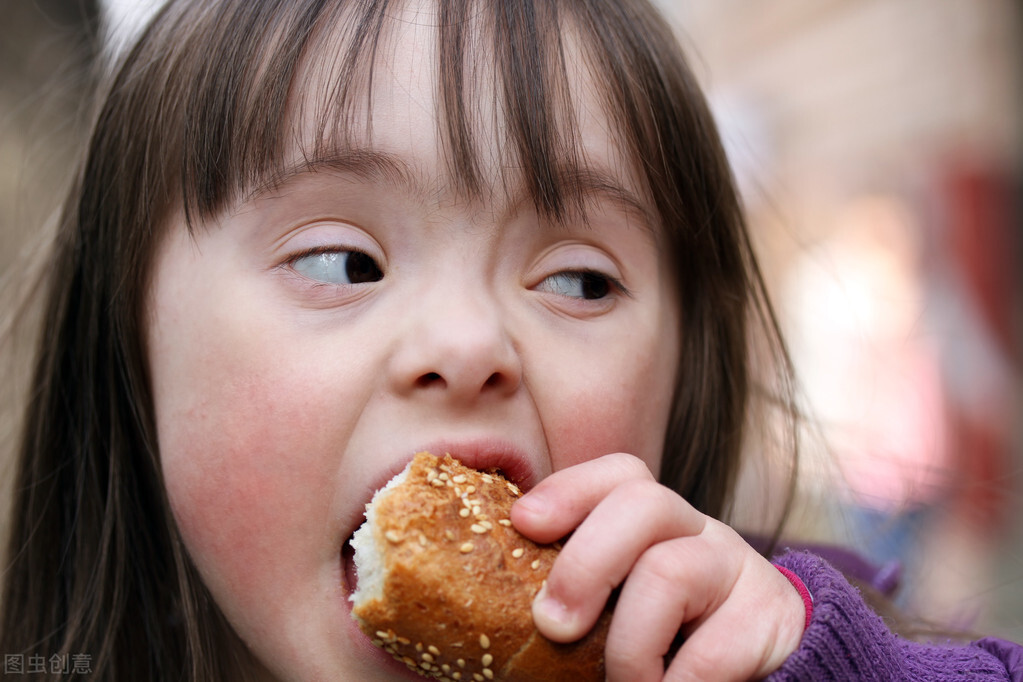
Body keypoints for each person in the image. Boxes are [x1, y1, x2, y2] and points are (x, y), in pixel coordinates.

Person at [0, 0, 1018, 680]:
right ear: (129, 351)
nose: (469, 340)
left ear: (687, 380)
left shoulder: (780, 649)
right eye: (342, 261)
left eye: (578, 278)